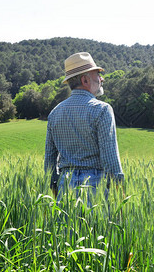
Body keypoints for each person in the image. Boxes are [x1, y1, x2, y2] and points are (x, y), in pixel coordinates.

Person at [44, 52, 124, 205]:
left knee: (67, 229)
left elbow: (49, 159)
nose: (102, 79)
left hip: (65, 187)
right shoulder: (102, 110)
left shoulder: (54, 113)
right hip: (95, 188)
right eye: (98, 75)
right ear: (85, 80)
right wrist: (120, 193)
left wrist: (55, 187)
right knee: (95, 229)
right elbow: (110, 159)